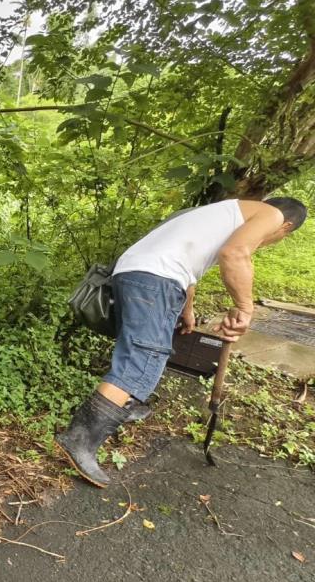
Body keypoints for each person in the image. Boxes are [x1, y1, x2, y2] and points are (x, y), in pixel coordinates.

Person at [57, 196, 308, 487]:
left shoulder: (222, 212)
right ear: (286, 226)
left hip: (137, 271)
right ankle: (79, 440)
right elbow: (236, 253)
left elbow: (188, 268)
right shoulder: (272, 215)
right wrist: (245, 308)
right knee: (142, 360)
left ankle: (123, 403)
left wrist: (186, 309)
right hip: (156, 277)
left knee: (144, 351)